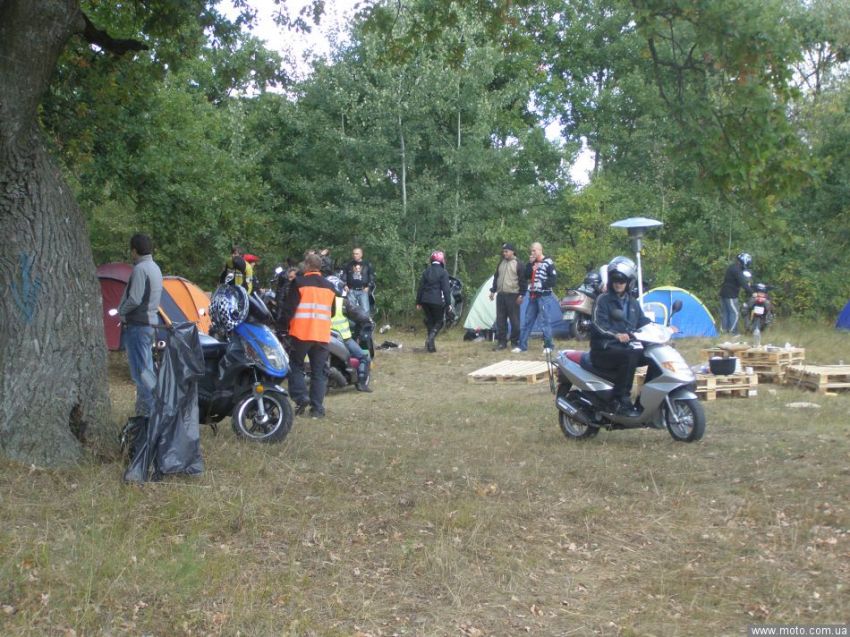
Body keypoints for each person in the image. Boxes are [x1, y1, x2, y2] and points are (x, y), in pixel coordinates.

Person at [589, 257, 651, 417]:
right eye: (615, 280)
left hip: (624, 347)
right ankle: (620, 401)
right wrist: (616, 335)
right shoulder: (602, 300)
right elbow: (597, 324)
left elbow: (643, 322)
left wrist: (663, 331)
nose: (618, 284)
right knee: (630, 355)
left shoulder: (633, 303)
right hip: (603, 349)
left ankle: (647, 399)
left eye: (622, 280)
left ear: (629, 282)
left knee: (652, 356)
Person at [279, 253, 338, 418]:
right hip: (322, 334)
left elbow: (289, 309)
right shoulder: (329, 286)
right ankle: (317, 409)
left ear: (307, 265)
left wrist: (281, 327)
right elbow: (332, 311)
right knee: (319, 372)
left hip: (301, 333)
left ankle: (301, 397)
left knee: (295, 365)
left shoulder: (298, 283)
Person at [118, 233, 163, 418]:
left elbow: (135, 298)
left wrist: (121, 311)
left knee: (140, 374)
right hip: (150, 324)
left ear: (134, 250)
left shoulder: (140, 269)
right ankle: (151, 409)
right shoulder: (155, 268)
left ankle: (147, 414)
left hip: (137, 324)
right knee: (147, 370)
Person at [328, 276, 374, 392]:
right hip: (343, 339)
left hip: (321, 338)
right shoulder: (342, 303)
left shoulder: (318, 302)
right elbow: (359, 315)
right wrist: (368, 319)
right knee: (363, 357)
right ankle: (361, 384)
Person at [514, 242, 557, 353]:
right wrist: (530, 264)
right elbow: (526, 275)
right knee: (527, 320)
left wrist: (542, 284)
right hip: (533, 296)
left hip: (544, 296)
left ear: (540, 250)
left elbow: (553, 280)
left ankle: (548, 346)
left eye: (534, 250)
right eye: (531, 251)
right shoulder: (533, 262)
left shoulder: (548, 262)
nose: (532, 253)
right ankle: (522, 346)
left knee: (545, 321)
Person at [489, 242, 526, 350]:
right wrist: (493, 290)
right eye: (503, 251)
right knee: (500, 320)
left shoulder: (519, 264)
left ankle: (514, 342)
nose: (504, 253)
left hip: (513, 295)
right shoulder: (501, 263)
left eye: (506, 251)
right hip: (501, 295)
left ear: (512, 251)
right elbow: (496, 277)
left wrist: (522, 294)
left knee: (515, 321)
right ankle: (502, 342)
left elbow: (523, 281)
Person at [416, 250, 453, 353]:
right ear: (441, 260)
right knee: (439, 322)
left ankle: (431, 347)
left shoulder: (426, 271)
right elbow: (446, 289)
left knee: (430, 322)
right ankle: (431, 338)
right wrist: (448, 303)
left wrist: (418, 302)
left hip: (425, 300)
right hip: (436, 300)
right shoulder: (443, 272)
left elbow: (420, 287)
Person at [718, 252, 754, 335]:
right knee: (735, 313)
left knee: (726, 313)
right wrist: (752, 292)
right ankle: (733, 332)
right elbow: (743, 283)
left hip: (724, 293)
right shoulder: (737, 270)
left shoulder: (733, 267)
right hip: (730, 295)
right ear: (744, 261)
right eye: (748, 262)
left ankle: (723, 331)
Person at [343, 247, 376, 314]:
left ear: (361, 254)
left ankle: (365, 321)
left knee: (365, 311)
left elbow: (372, 277)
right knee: (351, 310)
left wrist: (368, 286)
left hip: (363, 290)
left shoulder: (367, 264)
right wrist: (344, 285)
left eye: (357, 254)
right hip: (351, 290)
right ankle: (352, 321)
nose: (355, 255)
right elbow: (344, 275)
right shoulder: (349, 264)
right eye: (353, 254)